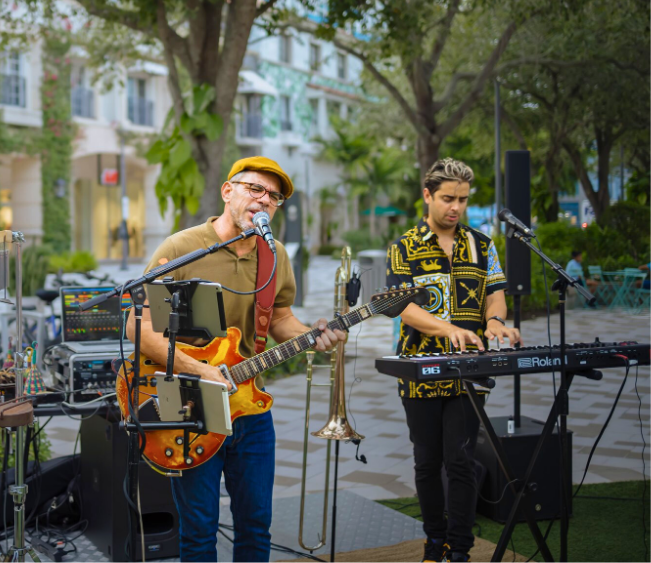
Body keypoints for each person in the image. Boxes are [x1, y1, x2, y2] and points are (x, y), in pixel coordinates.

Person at [125, 156, 345, 562]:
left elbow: (279, 317)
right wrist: (199, 368)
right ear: (228, 191)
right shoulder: (181, 248)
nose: (264, 201)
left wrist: (313, 337)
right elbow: (137, 328)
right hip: (188, 398)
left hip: (248, 403)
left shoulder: (273, 254)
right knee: (199, 530)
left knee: (256, 523)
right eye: (254, 189)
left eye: (274, 197)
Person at [385, 158, 522, 563]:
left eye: (462, 199)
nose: (456, 207)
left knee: (460, 460)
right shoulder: (403, 246)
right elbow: (402, 308)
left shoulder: (482, 244)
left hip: (469, 370)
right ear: (427, 196)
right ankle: (433, 541)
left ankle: (459, 548)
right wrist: (448, 330)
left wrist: (495, 320)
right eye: (448, 198)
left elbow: (495, 291)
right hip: (419, 370)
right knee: (427, 462)